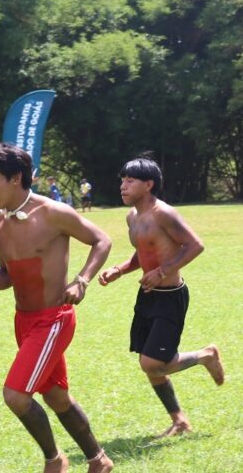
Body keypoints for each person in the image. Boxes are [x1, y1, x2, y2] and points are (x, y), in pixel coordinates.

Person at [0, 143, 115, 473]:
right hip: (24, 322)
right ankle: (98, 460)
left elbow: (101, 240)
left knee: (16, 395)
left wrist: (82, 280)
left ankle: (55, 460)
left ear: (16, 177)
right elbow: (7, 272)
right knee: (57, 397)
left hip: (54, 319)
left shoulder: (53, 213)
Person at [97, 156, 224, 438]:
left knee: (151, 362)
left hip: (170, 296)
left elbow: (195, 245)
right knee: (149, 362)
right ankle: (179, 420)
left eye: (130, 180)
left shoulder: (163, 213)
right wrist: (120, 270)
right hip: (148, 296)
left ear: (149, 184)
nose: (123, 185)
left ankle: (205, 355)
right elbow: (143, 251)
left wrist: (164, 270)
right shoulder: (132, 216)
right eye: (122, 180)